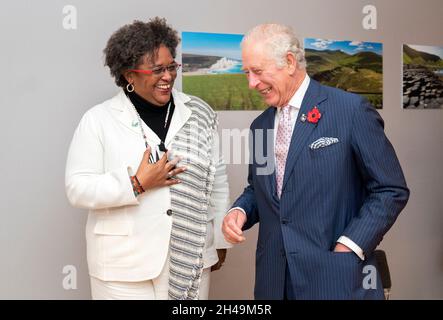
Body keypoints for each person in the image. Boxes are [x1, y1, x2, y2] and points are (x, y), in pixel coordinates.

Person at [222, 23, 409, 300]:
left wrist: (350, 245)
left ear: (288, 62)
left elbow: (390, 189)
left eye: (258, 72)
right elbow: (261, 189)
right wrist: (240, 211)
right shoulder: (259, 126)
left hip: (335, 279)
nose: (251, 83)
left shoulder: (350, 111)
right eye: (247, 73)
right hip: (274, 281)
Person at [65, 17, 231, 300]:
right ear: (130, 75)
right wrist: (136, 183)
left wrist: (219, 241)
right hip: (123, 268)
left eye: (171, 67)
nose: (168, 76)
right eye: (157, 70)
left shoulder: (200, 112)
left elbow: (217, 180)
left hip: (191, 257)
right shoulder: (99, 120)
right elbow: (77, 188)